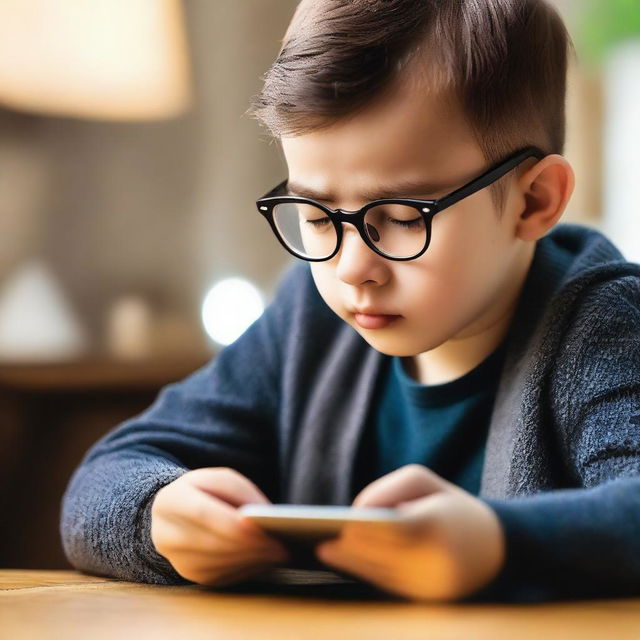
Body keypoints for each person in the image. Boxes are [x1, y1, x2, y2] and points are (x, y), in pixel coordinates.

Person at [60, 0, 640, 603]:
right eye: (315, 215)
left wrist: (499, 543)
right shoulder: (308, 322)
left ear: (534, 201)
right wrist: (161, 517)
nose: (351, 268)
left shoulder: (602, 325)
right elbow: (104, 479)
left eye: (401, 217)